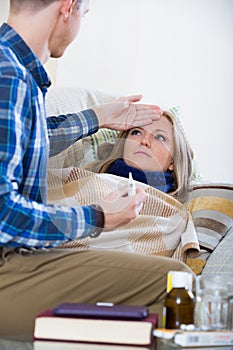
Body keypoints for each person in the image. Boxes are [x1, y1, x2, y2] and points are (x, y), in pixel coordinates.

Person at [0, 0, 195, 337]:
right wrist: (98, 217)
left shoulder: (13, 74)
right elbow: (3, 215)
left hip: (18, 259)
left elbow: (31, 135)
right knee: (176, 284)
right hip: (9, 263)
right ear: (68, 8)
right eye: (84, 14)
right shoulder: (11, 77)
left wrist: (98, 117)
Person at [85, 111, 194, 203]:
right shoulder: (85, 180)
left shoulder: (182, 207)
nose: (144, 141)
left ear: (172, 162)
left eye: (160, 137)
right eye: (136, 132)